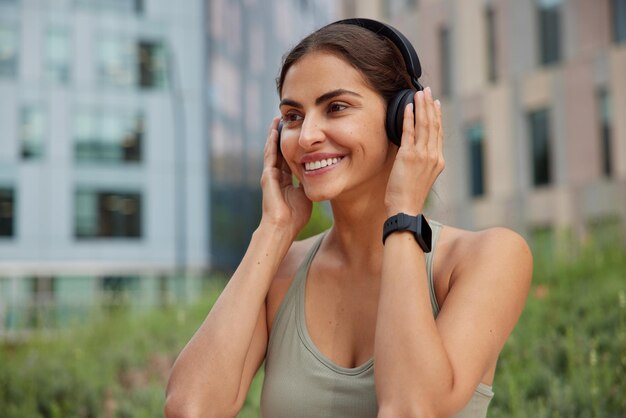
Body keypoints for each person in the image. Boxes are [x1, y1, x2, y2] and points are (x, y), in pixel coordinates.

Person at [165, 18, 532, 418]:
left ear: (402, 119)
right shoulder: (281, 273)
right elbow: (191, 408)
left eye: (336, 107)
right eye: (292, 115)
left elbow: (411, 408)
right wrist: (274, 229)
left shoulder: (486, 258)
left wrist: (404, 213)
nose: (306, 136)